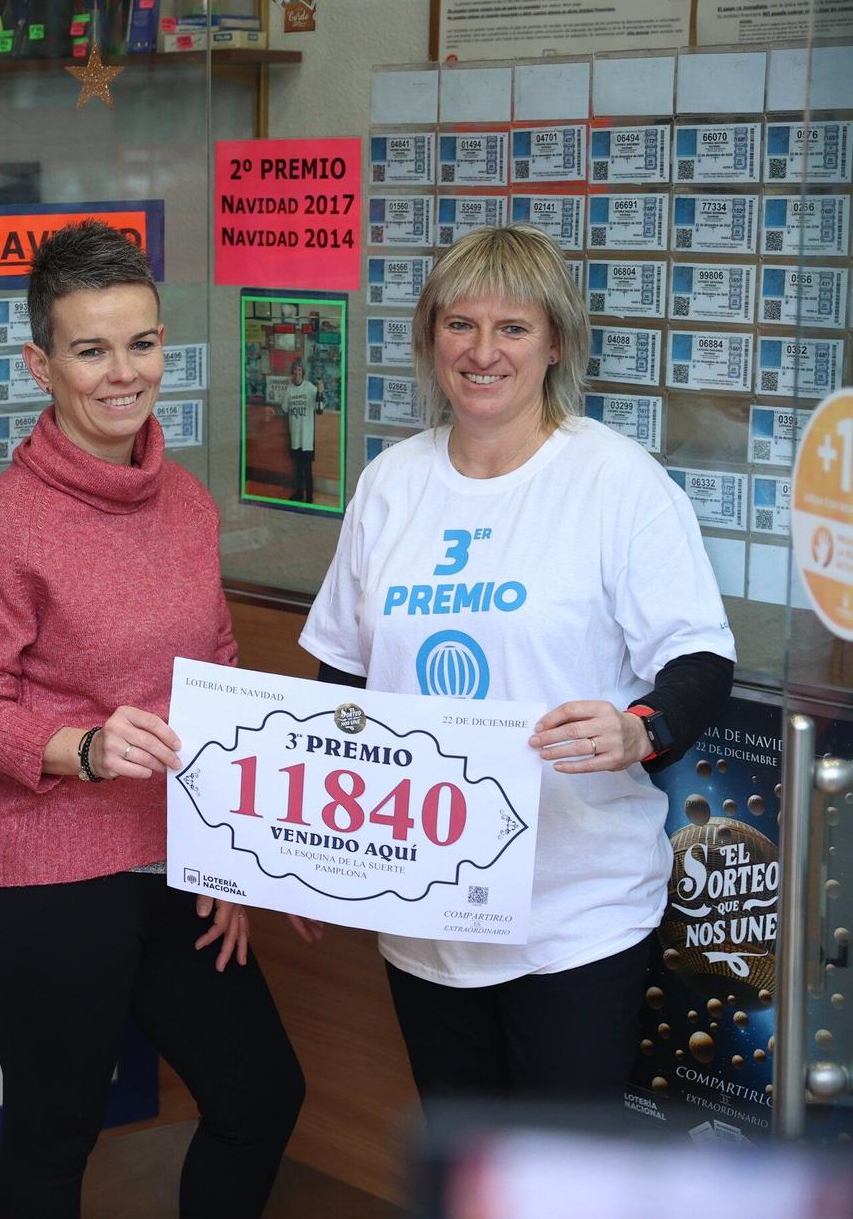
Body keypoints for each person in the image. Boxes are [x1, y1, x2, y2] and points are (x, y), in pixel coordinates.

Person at [0, 221, 311, 1219]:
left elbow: (218, 672)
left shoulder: (184, 502)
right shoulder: (8, 526)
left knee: (260, 1095)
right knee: (54, 1138)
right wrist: (82, 748)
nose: (121, 373)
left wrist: (231, 857)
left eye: (139, 344)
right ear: (40, 364)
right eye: (90, 350)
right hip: (49, 878)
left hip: (174, 862)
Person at [299, 223, 735, 1102]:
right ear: (430, 338)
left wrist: (637, 730)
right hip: (423, 905)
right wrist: (320, 853)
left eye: (513, 328)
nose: (483, 351)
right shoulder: (391, 483)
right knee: (464, 1156)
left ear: (556, 343)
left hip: (573, 911)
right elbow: (344, 681)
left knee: (556, 1166)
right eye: (460, 324)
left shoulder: (615, 480)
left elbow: (698, 659)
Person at [280, 359, 320, 503]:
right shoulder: (289, 389)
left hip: (307, 439)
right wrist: (272, 412)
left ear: (303, 372)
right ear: (292, 372)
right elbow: (283, 409)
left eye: (299, 370)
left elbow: (320, 408)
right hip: (295, 438)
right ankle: (298, 494)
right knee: (297, 469)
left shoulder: (309, 387)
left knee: (307, 470)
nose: (297, 372)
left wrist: (321, 391)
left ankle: (309, 497)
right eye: (295, 369)